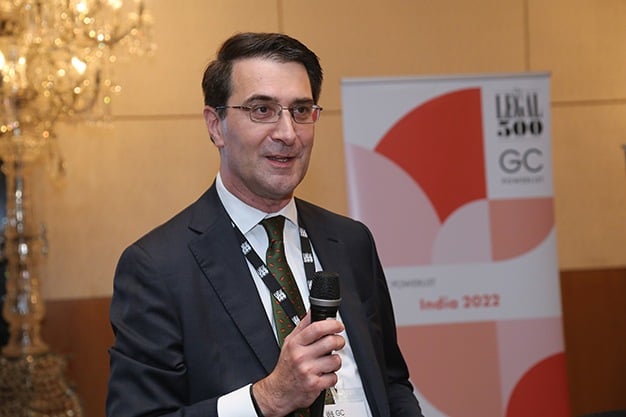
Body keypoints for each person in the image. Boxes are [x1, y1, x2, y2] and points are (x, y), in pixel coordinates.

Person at [106, 32, 424, 417]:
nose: (287, 133)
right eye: (262, 109)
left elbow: (390, 382)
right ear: (216, 125)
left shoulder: (350, 240)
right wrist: (266, 399)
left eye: (301, 110)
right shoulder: (157, 267)